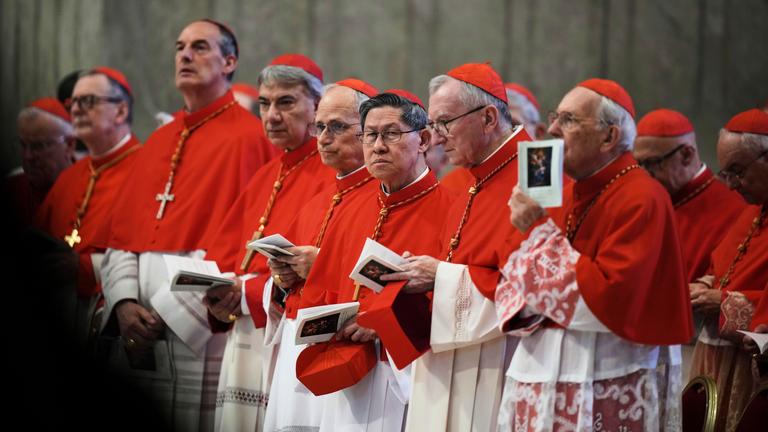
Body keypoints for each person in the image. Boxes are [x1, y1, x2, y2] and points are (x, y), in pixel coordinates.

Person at [98, 19, 275, 431]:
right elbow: (121, 236)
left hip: (199, 326)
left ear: (229, 61)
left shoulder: (252, 139)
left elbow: (248, 241)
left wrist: (162, 314)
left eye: (199, 47)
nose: (184, 55)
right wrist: (124, 304)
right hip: (134, 329)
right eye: (179, 47)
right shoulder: (159, 140)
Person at [493, 78, 692, 431]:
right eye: (555, 117)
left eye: (568, 120)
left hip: (606, 370)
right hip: (544, 365)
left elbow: (610, 299)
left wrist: (538, 230)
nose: (552, 128)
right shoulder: (566, 193)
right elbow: (513, 281)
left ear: (609, 137)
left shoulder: (641, 197)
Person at [368, 63, 532, 431]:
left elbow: (532, 291)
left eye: (445, 123)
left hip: (499, 364)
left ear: (489, 117)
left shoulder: (534, 176)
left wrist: (440, 276)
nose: (437, 137)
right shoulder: (470, 179)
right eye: (433, 125)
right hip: (450, 365)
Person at [296, 89, 455, 431]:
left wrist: (382, 324)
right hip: (344, 376)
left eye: (391, 134)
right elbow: (321, 292)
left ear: (424, 139)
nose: (378, 146)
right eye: (370, 135)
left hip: (409, 380)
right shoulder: (350, 207)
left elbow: (453, 302)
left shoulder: (451, 210)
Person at [201, 53, 336, 431]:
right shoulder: (268, 172)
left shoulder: (331, 174)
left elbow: (318, 270)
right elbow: (227, 255)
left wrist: (247, 292)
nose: (271, 115)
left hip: (285, 338)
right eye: (264, 103)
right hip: (246, 333)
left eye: (285, 102)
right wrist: (218, 289)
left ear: (317, 105)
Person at [258, 77, 379, 431]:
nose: (323, 138)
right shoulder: (320, 199)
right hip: (296, 352)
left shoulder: (382, 197)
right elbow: (287, 286)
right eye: (320, 127)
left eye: (337, 127)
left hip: (343, 355)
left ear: (367, 131)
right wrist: (283, 275)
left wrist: (320, 266)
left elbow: (385, 282)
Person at [35, 67, 141, 346]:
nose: (77, 110)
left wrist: (83, 268)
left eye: (89, 101)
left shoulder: (147, 168)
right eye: (73, 103)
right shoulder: (70, 176)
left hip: (109, 314)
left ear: (120, 112)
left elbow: (149, 253)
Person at [689, 108, 768, 431]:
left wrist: (722, 301)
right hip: (715, 361)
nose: (732, 185)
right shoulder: (752, 210)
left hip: (749, 371)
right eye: (726, 173)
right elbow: (722, 264)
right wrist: (704, 284)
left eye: (738, 171)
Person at [634, 109, 746, 281]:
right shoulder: (643, 201)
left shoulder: (735, 209)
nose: (644, 174)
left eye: (652, 163)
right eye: (638, 164)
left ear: (687, 154)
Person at [440, 81, 543, 195]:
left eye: (512, 125)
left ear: (539, 133)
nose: (497, 133)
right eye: (491, 123)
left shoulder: (542, 171)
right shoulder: (451, 184)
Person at [7, 98, 75, 228]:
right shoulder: (11, 190)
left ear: (69, 145)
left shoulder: (94, 195)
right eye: (23, 145)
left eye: (39, 146)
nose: (28, 156)